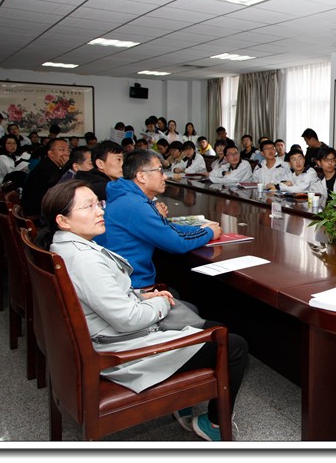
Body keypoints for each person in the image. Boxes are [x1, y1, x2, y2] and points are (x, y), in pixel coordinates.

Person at [36, 180, 245, 441]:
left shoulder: (62, 247)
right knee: (233, 345)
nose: (100, 211)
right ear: (63, 220)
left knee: (204, 322)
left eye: (98, 204)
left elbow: (104, 295)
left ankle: (184, 402)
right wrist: (158, 303)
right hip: (120, 351)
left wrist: (141, 296)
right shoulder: (84, 260)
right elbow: (128, 319)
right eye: (88, 207)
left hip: (106, 335)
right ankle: (213, 425)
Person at [95, 149, 222, 290]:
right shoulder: (133, 204)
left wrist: (200, 228)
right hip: (133, 288)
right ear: (142, 176)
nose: (165, 177)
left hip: (127, 280)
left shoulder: (129, 197)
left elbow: (165, 226)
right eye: (160, 171)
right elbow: (176, 243)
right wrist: (208, 233)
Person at [22, 137, 70, 216]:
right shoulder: (46, 169)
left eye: (68, 150)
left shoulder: (49, 164)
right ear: (50, 153)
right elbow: (62, 188)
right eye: (62, 150)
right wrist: (66, 167)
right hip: (38, 214)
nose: (67, 153)